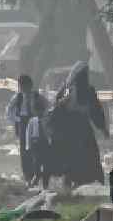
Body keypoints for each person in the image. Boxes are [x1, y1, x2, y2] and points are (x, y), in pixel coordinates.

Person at [45, 61, 108, 190]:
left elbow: (95, 110)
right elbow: (57, 108)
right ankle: (71, 181)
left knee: (89, 155)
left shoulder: (88, 90)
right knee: (71, 156)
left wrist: (102, 127)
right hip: (69, 129)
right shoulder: (66, 90)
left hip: (82, 128)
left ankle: (90, 182)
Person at [6, 75, 48, 186]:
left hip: (35, 122)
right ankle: (28, 175)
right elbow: (9, 111)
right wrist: (18, 120)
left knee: (36, 148)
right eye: (22, 86)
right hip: (23, 123)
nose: (24, 88)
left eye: (26, 86)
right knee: (25, 150)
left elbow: (47, 105)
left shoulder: (37, 96)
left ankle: (36, 173)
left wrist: (42, 117)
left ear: (30, 85)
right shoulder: (18, 98)